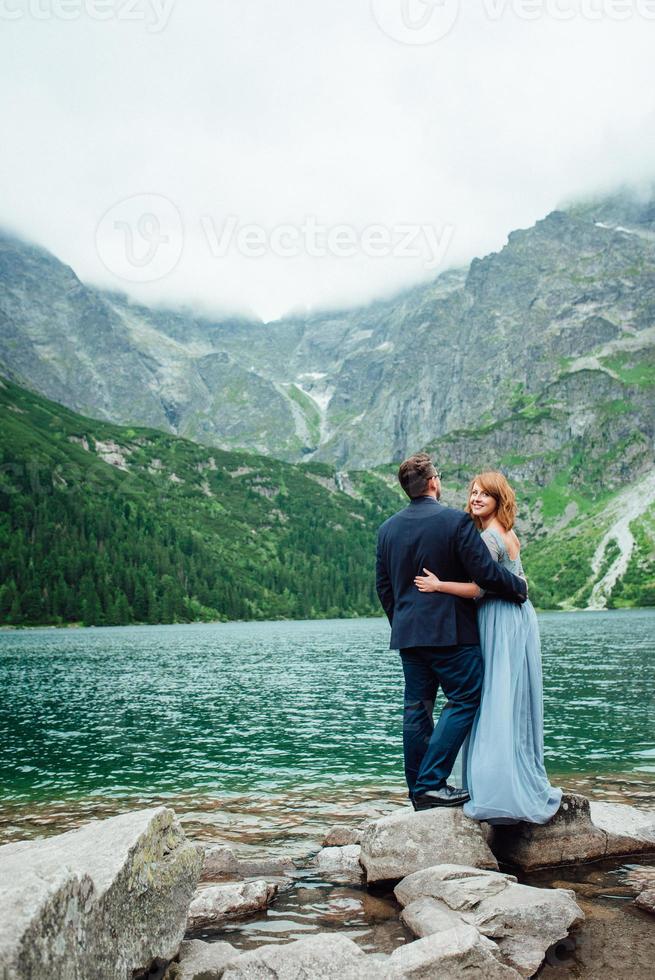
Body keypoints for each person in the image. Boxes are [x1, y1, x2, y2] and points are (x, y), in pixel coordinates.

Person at [375, 453, 528, 811]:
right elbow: (486, 575)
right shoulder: (455, 521)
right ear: (432, 483)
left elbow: (384, 588)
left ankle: (418, 792)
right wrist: (519, 588)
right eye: (438, 477)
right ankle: (431, 783)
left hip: (409, 636)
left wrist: (403, 624)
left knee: (417, 709)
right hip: (452, 634)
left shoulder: (387, 530)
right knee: (464, 699)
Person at [414, 471, 562, 824]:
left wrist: (438, 585)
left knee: (493, 697)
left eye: (485, 494)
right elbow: (516, 581)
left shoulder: (490, 538)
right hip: (518, 618)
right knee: (509, 698)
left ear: (499, 499)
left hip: (497, 619)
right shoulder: (509, 534)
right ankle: (511, 779)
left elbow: (479, 589)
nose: (476, 498)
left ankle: (492, 790)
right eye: (473, 492)